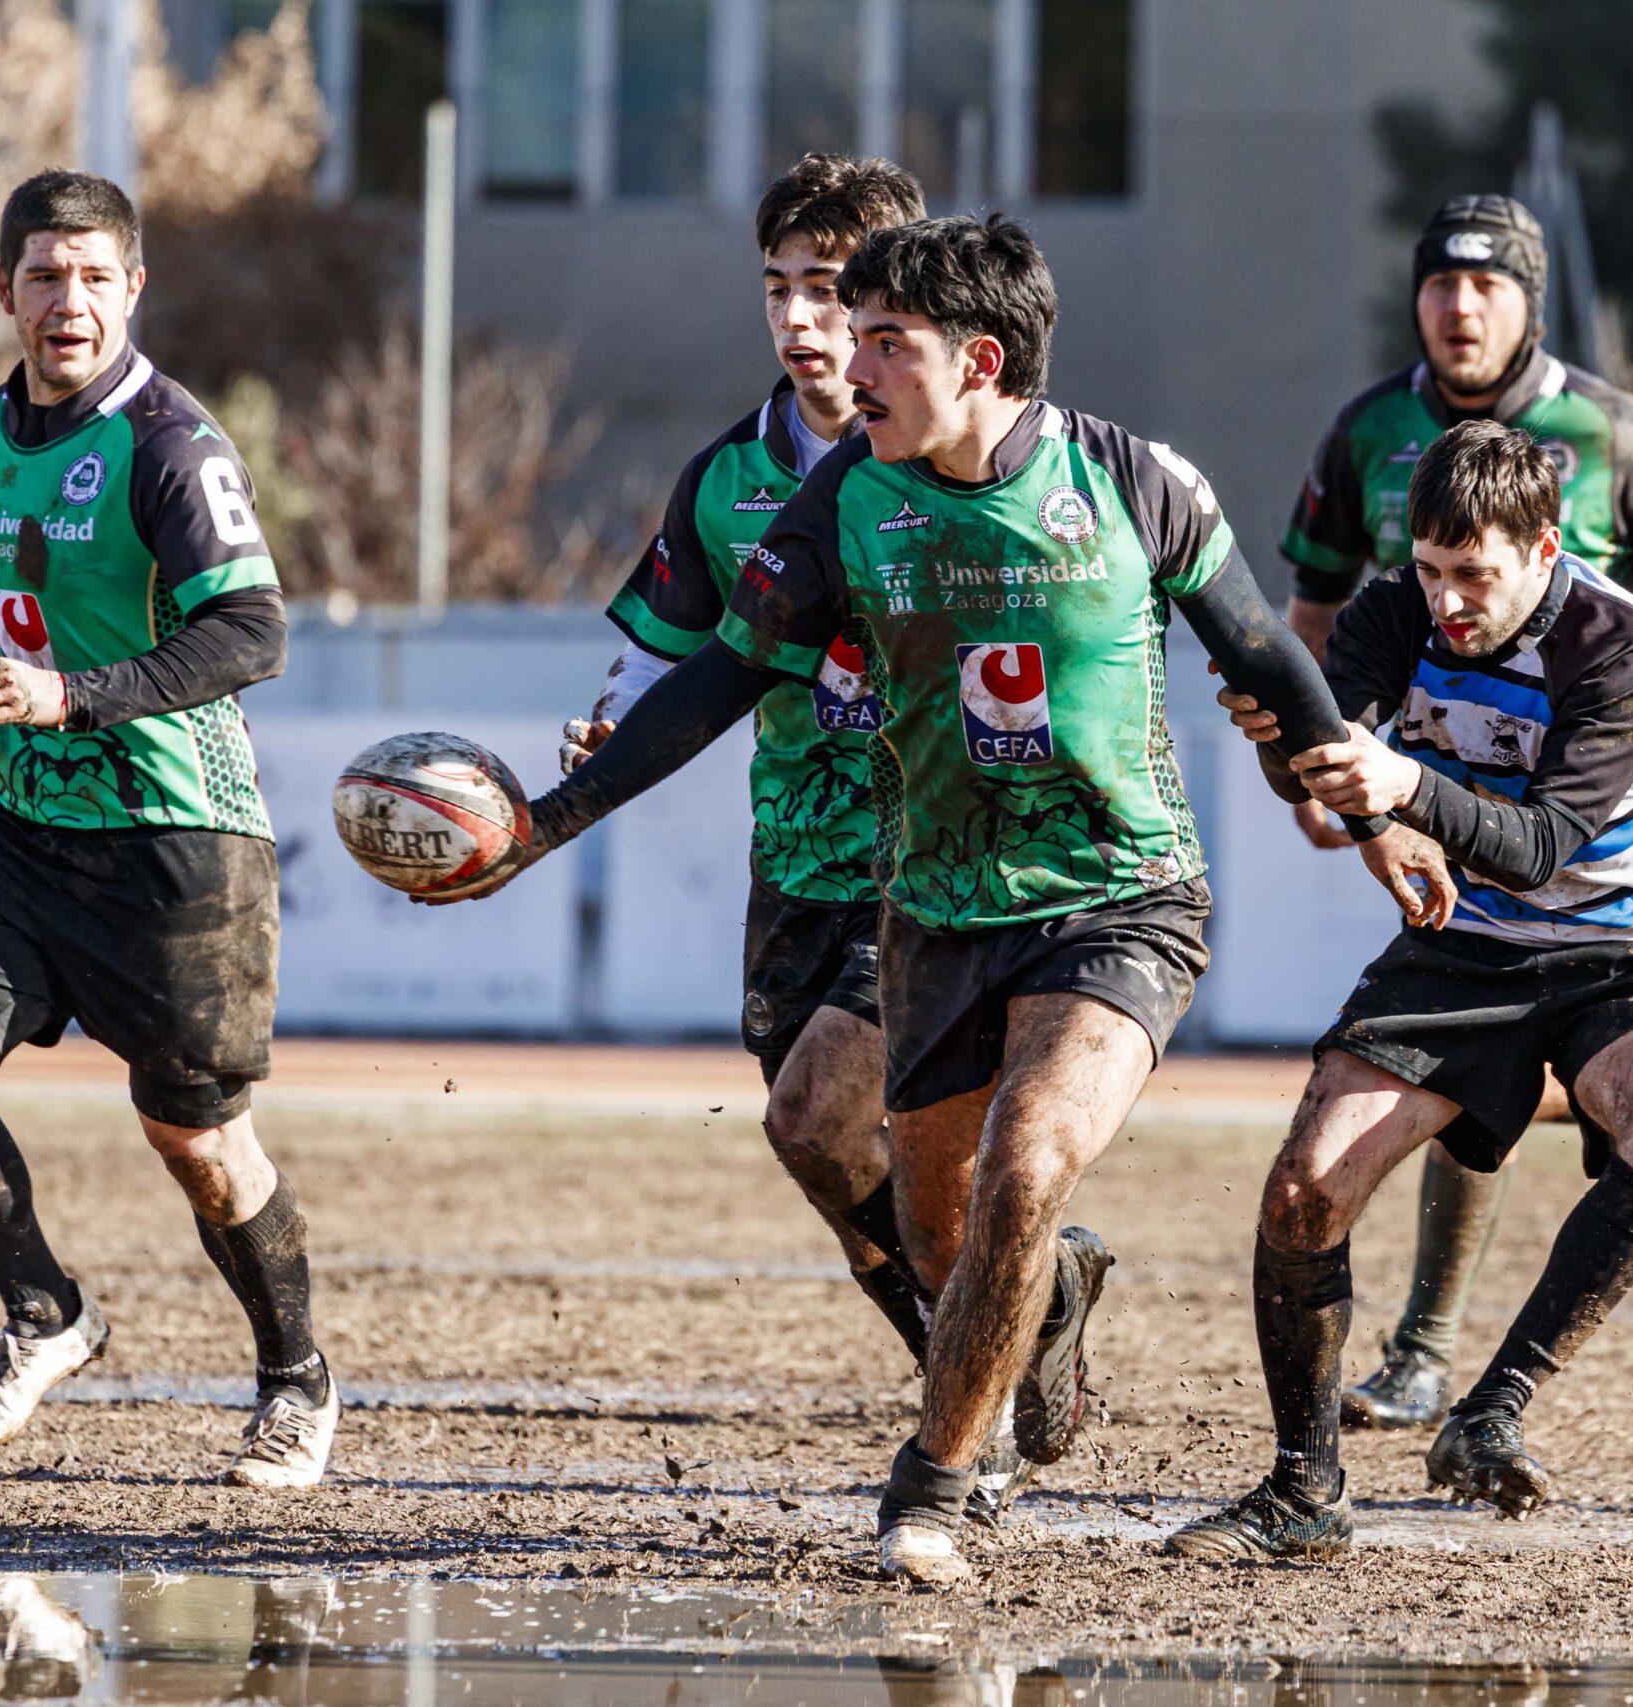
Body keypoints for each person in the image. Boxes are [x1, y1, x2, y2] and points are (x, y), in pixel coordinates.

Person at [434, 213, 1408, 1583]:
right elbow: (721, 675)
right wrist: (547, 825)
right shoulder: (843, 497)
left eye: (887, 341)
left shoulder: (1132, 478)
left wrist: (1368, 813)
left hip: (1120, 899)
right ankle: (1046, 1296)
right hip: (934, 913)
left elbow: (1264, 653)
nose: (854, 363)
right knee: (944, 1228)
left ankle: (935, 1484)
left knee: (1026, 1163)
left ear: (983, 360)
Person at [0, 171, 329, 1487]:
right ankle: (47, 1313)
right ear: (5, 291)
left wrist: (72, 694)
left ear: (133, 290)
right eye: (44, 275)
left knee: (195, 1140)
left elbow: (254, 630)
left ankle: (294, 1374)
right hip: (27, 829)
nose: (68, 300)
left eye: (95, 276)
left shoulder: (171, 446)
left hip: (180, 836)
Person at [1164, 419, 1633, 1558]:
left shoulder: (1623, 648)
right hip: (1464, 943)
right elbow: (1324, 775)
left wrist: (1398, 783)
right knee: (1302, 1191)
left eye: (1471, 575)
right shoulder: (1393, 611)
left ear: (1542, 545)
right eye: (1428, 571)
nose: (1447, 603)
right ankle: (1302, 1491)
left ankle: (1490, 1411)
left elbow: (1541, 845)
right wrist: (1288, 738)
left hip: (1629, 946)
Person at [551, 153, 1030, 1510]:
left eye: (830, 289)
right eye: (779, 288)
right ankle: (1004, 1325)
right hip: (798, 858)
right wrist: (607, 728)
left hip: (937, 861)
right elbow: (660, 649)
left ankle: (967, 1408)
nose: (801, 320)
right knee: (830, 1145)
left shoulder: (969, 457)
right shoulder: (727, 479)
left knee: (820, 1107)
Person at [1277, 194, 1633, 1433]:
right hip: (1456, 827)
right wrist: (1335, 783)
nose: (1460, 306)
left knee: (1610, 1088)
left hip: (1593, 851)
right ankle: (1412, 1369)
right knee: (1437, 1092)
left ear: (1528, 300)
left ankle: (1455, 1362)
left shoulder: (1608, 432)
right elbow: (1313, 636)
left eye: (1488, 285)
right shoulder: (1371, 440)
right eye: (1440, 283)